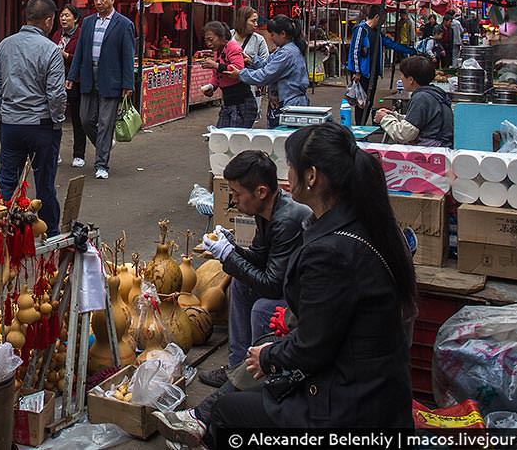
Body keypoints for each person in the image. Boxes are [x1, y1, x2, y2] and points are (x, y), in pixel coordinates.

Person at [154, 123, 416, 443]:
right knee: (259, 352)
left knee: (230, 413)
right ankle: (201, 415)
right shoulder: (357, 224)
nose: (286, 176)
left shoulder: (331, 250)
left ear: (311, 176)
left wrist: (269, 357)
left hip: (349, 404)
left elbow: (312, 345)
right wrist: (232, 253)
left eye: (290, 167)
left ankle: (205, 418)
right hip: (365, 385)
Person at [197, 150, 311, 389]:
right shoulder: (265, 211)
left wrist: (228, 256)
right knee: (240, 284)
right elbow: (259, 257)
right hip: (286, 285)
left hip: (304, 297)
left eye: (237, 194)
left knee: (262, 307)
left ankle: (257, 380)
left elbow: (271, 285)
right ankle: (238, 367)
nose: (233, 200)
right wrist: (231, 248)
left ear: (261, 192)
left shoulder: (286, 219)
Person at [0, 0, 66, 229]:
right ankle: (50, 233)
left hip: (11, 124)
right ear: (49, 21)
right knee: (44, 184)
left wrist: (1, 111)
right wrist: (57, 120)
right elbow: (56, 94)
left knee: (6, 180)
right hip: (41, 125)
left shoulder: (5, 45)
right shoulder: (51, 50)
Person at [68, 0, 136, 180]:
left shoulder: (124, 24)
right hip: (89, 76)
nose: (98, 3)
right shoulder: (88, 23)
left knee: (106, 123)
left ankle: (101, 164)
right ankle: (104, 144)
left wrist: (128, 84)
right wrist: (72, 76)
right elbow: (80, 51)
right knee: (85, 118)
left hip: (111, 79)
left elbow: (127, 57)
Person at [344, 5, 417, 126]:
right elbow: (354, 51)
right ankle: (359, 127)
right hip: (362, 73)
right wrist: (357, 72)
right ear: (377, 17)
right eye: (382, 19)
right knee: (361, 103)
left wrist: (411, 51)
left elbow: (390, 43)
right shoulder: (361, 29)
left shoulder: (377, 32)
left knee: (369, 101)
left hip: (373, 73)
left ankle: (361, 126)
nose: (383, 23)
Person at [237, 16, 311, 127]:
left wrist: (239, 74)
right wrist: (251, 61)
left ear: (283, 34)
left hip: (290, 105)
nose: (271, 38)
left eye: (272, 34)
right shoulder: (283, 50)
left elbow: (264, 76)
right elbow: (267, 64)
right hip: (285, 103)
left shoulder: (287, 53)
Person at [373, 55, 454, 147]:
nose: (401, 78)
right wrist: (394, 116)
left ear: (411, 79)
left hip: (432, 151)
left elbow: (404, 134)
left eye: (402, 75)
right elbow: (417, 121)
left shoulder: (421, 98)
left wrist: (384, 119)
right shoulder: (434, 93)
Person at [51, 4, 89, 167]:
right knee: (55, 117)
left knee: (77, 118)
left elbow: (84, 59)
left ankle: (79, 154)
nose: (63, 19)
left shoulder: (82, 35)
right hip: (57, 80)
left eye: (67, 16)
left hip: (76, 81)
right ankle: (54, 152)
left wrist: (66, 55)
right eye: (61, 16)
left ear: (76, 18)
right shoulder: (57, 34)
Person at [201, 21, 252, 127]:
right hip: (228, 102)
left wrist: (216, 65)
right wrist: (211, 87)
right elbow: (216, 76)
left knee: (234, 138)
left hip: (241, 102)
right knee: (222, 136)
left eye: (211, 40)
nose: (208, 44)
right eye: (206, 40)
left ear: (221, 37)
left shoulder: (233, 48)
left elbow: (238, 69)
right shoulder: (218, 51)